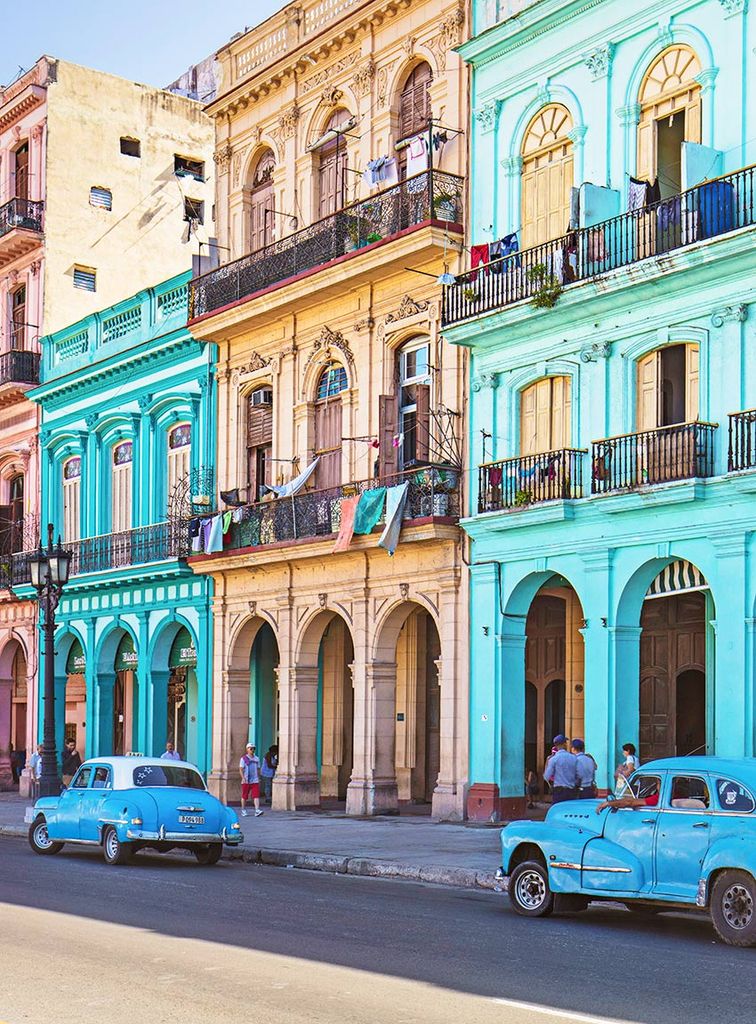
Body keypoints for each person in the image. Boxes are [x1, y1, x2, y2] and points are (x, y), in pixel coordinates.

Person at [543, 734, 577, 803]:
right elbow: (579, 774)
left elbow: (546, 777)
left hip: (558, 791)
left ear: (556, 746)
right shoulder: (573, 758)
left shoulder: (553, 759)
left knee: (559, 810)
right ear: (564, 744)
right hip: (571, 790)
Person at [239, 743, 263, 817]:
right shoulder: (243, 759)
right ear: (247, 749)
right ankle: (243, 810)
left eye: (253, 748)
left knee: (256, 795)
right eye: (251, 748)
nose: (252, 750)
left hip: (255, 780)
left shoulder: (256, 758)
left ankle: (257, 810)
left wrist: (259, 777)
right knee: (244, 796)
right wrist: (243, 778)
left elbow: (258, 769)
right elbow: (241, 769)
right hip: (246, 780)